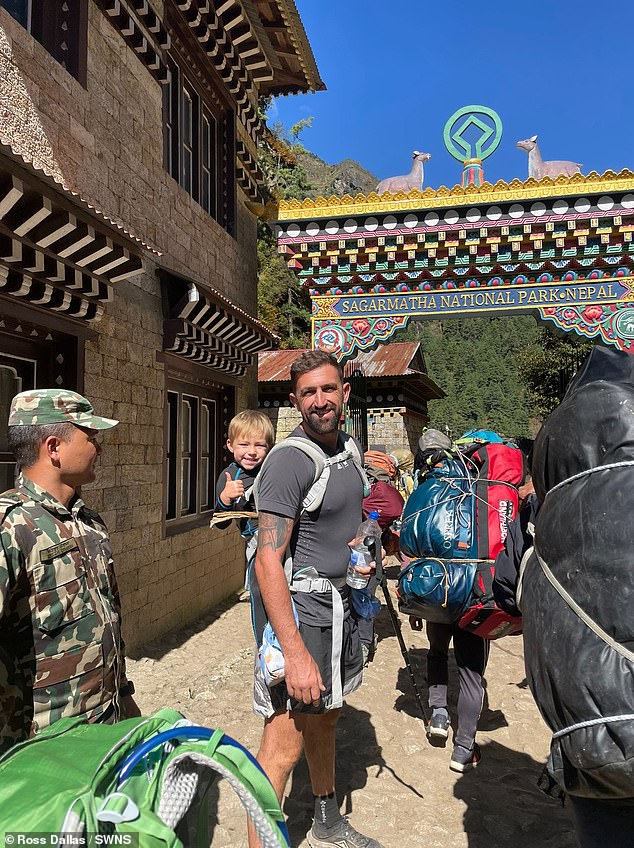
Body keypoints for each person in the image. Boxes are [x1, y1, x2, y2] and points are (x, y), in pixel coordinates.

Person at [250, 350, 382, 848]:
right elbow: (268, 561)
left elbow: (349, 516)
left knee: (326, 716)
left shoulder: (348, 448)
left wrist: (364, 539)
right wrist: (296, 653)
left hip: (340, 607)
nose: (320, 401)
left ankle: (326, 820)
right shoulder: (289, 462)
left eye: (329, 389)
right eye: (309, 392)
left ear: (345, 393)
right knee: (282, 744)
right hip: (302, 615)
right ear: (294, 401)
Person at [0, 389, 140, 754]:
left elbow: (108, 617)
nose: (99, 448)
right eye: (90, 437)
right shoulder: (12, 527)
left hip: (103, 728)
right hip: (44, 748)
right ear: (54, 448)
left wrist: (123, 696)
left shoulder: (89, 523)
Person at [215, 410, 274, 588]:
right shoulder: (230, 476)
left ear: (270, 446)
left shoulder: (273, 468)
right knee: (260, 593)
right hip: (257, 545)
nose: (252, 452)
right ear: (230, 445)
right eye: (244, 444)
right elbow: (220, 523)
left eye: (260, 445)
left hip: (286, 538)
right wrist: (225, 498)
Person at [425, 621, 489, 772]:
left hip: (437, 606)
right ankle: (463, 749)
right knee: (471, 678)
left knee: (437, 652)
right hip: (474, 611)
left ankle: (438, 717)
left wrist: (415, 612)